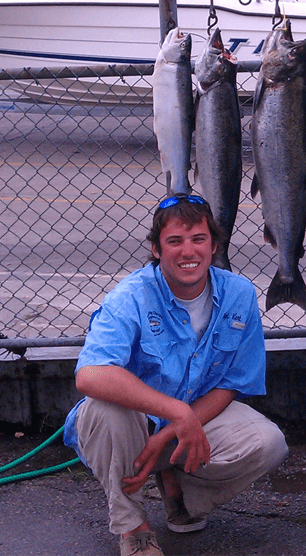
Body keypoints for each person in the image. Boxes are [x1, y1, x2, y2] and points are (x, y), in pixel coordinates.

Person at [63, 194, 289, 556]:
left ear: (214, 245)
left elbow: (232, 383)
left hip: (184, 425)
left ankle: (180, 491)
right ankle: (133, 529)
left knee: (268, 443)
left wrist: (171, 430)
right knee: (106, 412)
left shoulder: (239, 294)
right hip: (131, 427)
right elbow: (90, 375)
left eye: (198, 239)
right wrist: (176, 413)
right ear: (156, 249)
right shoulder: (131, 296)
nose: (188, 251)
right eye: (175, 241)